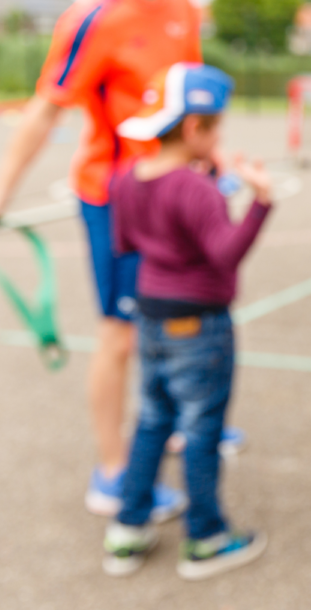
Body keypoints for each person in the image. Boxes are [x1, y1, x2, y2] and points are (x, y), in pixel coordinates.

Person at [0, 0, 252, 520]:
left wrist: (214, 160)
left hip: (178, 188)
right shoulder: (91, 17)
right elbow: (46, 107)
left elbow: (189, 102)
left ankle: (185, 423)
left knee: (187, 307)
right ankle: (112, 472)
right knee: (121, 331)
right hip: (117, 197)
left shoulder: (183, 7)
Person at [101, 63, 269, 579]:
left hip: (151, 316)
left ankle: (128, 527)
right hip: (200, 325)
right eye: (215, 126)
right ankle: (206, 536)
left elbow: (125, 242)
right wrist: (262, 201)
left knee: (152, 419)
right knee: (201, 429)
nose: (220, 136)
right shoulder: (194, 190)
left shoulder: (129, 178)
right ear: (195, 128)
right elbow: (224, 254)